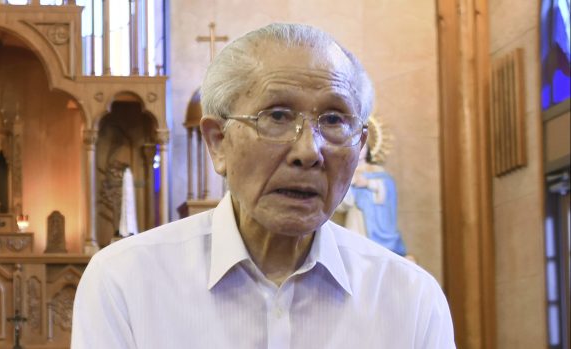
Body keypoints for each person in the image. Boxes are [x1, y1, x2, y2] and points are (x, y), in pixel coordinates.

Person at [71, 23, 455, 348]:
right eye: (277, 116)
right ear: (218, 142)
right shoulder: (126, 281)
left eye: (335, 119)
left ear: (360, 146)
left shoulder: (411, 299)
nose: (309, 151)